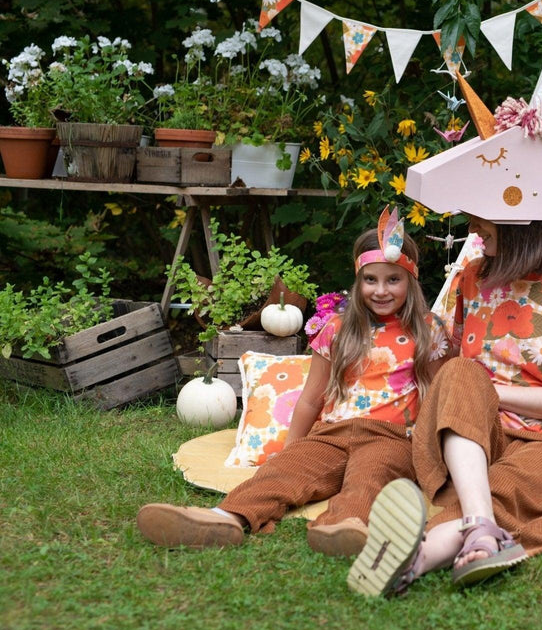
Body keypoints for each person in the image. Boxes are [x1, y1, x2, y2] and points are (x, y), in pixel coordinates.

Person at [347, 91, 542, 596]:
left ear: (520, 225)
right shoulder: (473, 278)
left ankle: (424, 553)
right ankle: (479, 532)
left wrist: (496, 393)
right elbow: (448, 370)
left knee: (507, 489)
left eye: (484, 223)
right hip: (473, 441)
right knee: (460, 373)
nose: (473, 230)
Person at [136, 208, 451, 555]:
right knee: (283, 474)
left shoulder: (427, 329)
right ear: (357, 280)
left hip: (391, 438)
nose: (380, 290)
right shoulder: (337, 328)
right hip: (332, 434)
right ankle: (224, 517)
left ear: (411, 280)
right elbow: (311, 399)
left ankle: (344, 527)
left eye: (393, 279)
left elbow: (438, 397)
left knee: (370, 476)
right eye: (370, 279)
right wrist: (291, 451)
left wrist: (433, 458)